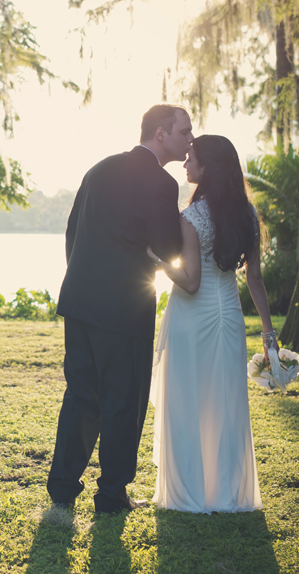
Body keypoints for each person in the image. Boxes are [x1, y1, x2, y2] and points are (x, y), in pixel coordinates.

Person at [48, 104, 193, 514]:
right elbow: (167, 249)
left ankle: (62, 486)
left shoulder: (99, 168)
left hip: (79, 300)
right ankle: (112, 494)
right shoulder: (162, 184)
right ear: (160, 133)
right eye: (184, 132)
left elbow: (72, 231)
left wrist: (82, 279)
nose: (189, 140)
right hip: (124, 309)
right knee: (122, 401)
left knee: (80, 394)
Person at [146, 134, 271, 513]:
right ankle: (228, 493)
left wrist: (156, 259)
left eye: (191, 159)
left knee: (187, 401)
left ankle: (189, 495)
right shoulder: (247, 215)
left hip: (192, 316)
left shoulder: (191, 217)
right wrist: (269, 333)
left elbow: (191, 281)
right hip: (229, 316)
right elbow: (254, 279)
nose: (185, 165)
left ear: (207, 168)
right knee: (225, 402)